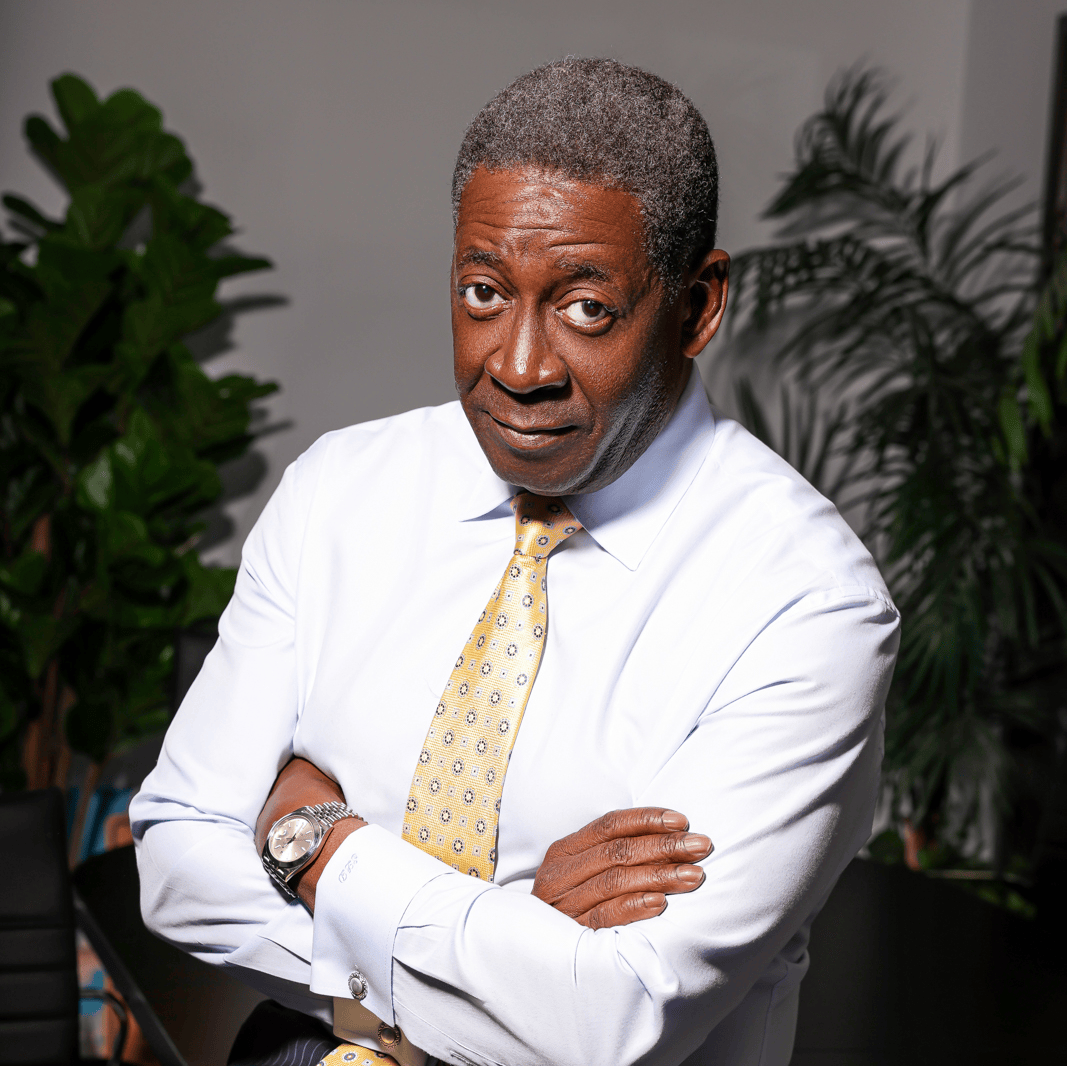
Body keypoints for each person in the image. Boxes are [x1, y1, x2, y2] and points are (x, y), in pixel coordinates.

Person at [130, 58, 899, 1066]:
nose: (518, 366)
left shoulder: (805, 606)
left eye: (586, 309)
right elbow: (177, 864)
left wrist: (318, 845)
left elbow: (613, 1023)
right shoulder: (338, 492)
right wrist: (508, 939)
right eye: (483, 293)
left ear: (697, 306)